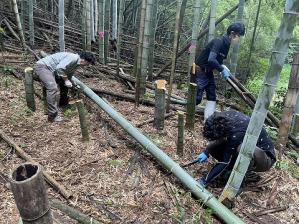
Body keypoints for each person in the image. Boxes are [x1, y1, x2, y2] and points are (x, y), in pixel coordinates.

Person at [196, 110, 276, 189]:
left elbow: (224, 161)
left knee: (242, 148)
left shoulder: (237, 133)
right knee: (213, 147)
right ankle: (231, 168)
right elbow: (219, 140)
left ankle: (239, 179)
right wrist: (206, 151)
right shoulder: (225, 116)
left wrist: (204, 180)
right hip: (244, 144)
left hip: (265, 159)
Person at [194, 22, 245, 121]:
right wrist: (222, 69)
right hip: (200, 71)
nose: (238, 39)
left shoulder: (227, 45)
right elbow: (211, 59)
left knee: (212, 96)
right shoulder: (219, 41)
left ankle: (207, 121)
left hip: (208, 72)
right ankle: (188, 117)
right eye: (238, 36)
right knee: (197, 98)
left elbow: (218, 60)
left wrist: (223, 66)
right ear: (232, 33)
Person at [35, 51, 96, 122]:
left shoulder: (76, 64)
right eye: (87, 64)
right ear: (84, 60)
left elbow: (68, 75)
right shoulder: (73, 58)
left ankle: (61, 105)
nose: (87, 66)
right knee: (53, 88)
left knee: (62, 84)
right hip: (43, 67)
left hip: (53, 71)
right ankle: (52, 116)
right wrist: (66, 80)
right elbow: (59, 68)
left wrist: (73, 84)